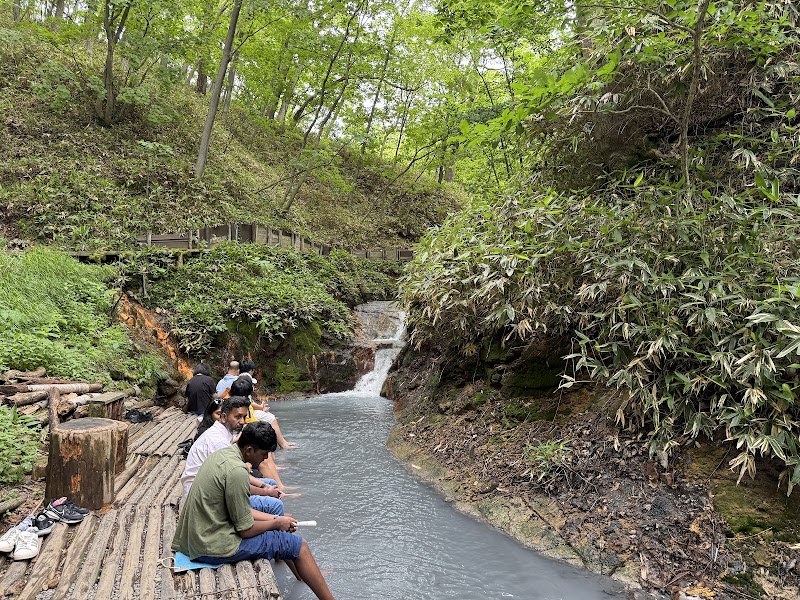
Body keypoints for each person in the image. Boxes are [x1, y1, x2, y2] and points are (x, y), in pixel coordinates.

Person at [172, 422, 335, 600]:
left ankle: (303, 575)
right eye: (263, 454)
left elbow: (241, 511)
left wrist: (276, 519)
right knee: (299, 545)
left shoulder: (224, 455)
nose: (265, 459)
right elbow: (245, 530)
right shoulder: (237, 472)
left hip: (201, 535)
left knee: (283, 530)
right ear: (249, 450)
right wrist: (275, 522)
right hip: (212, 546)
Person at [181, 397, 284, 515]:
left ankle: (271, 519)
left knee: (270, 483)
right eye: (238, 417)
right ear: (224, 417)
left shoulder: (221, 434)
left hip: (211, 489)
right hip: (203, 499)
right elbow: (233, 483)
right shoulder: (218, 442)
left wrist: (264, 486)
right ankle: (274, 521)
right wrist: (265, 490)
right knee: (275, 505)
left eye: (244, 417)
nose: (242, 421)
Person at [234, 363, 296, 449]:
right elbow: (248, 405)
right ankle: (282, 444)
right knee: (270, 418)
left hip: (248, 415)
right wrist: (261, 407)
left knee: (270, 417)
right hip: (248, 418)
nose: (253, 387)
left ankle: (282, 443)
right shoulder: (243, 386)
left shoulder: (237, 384)